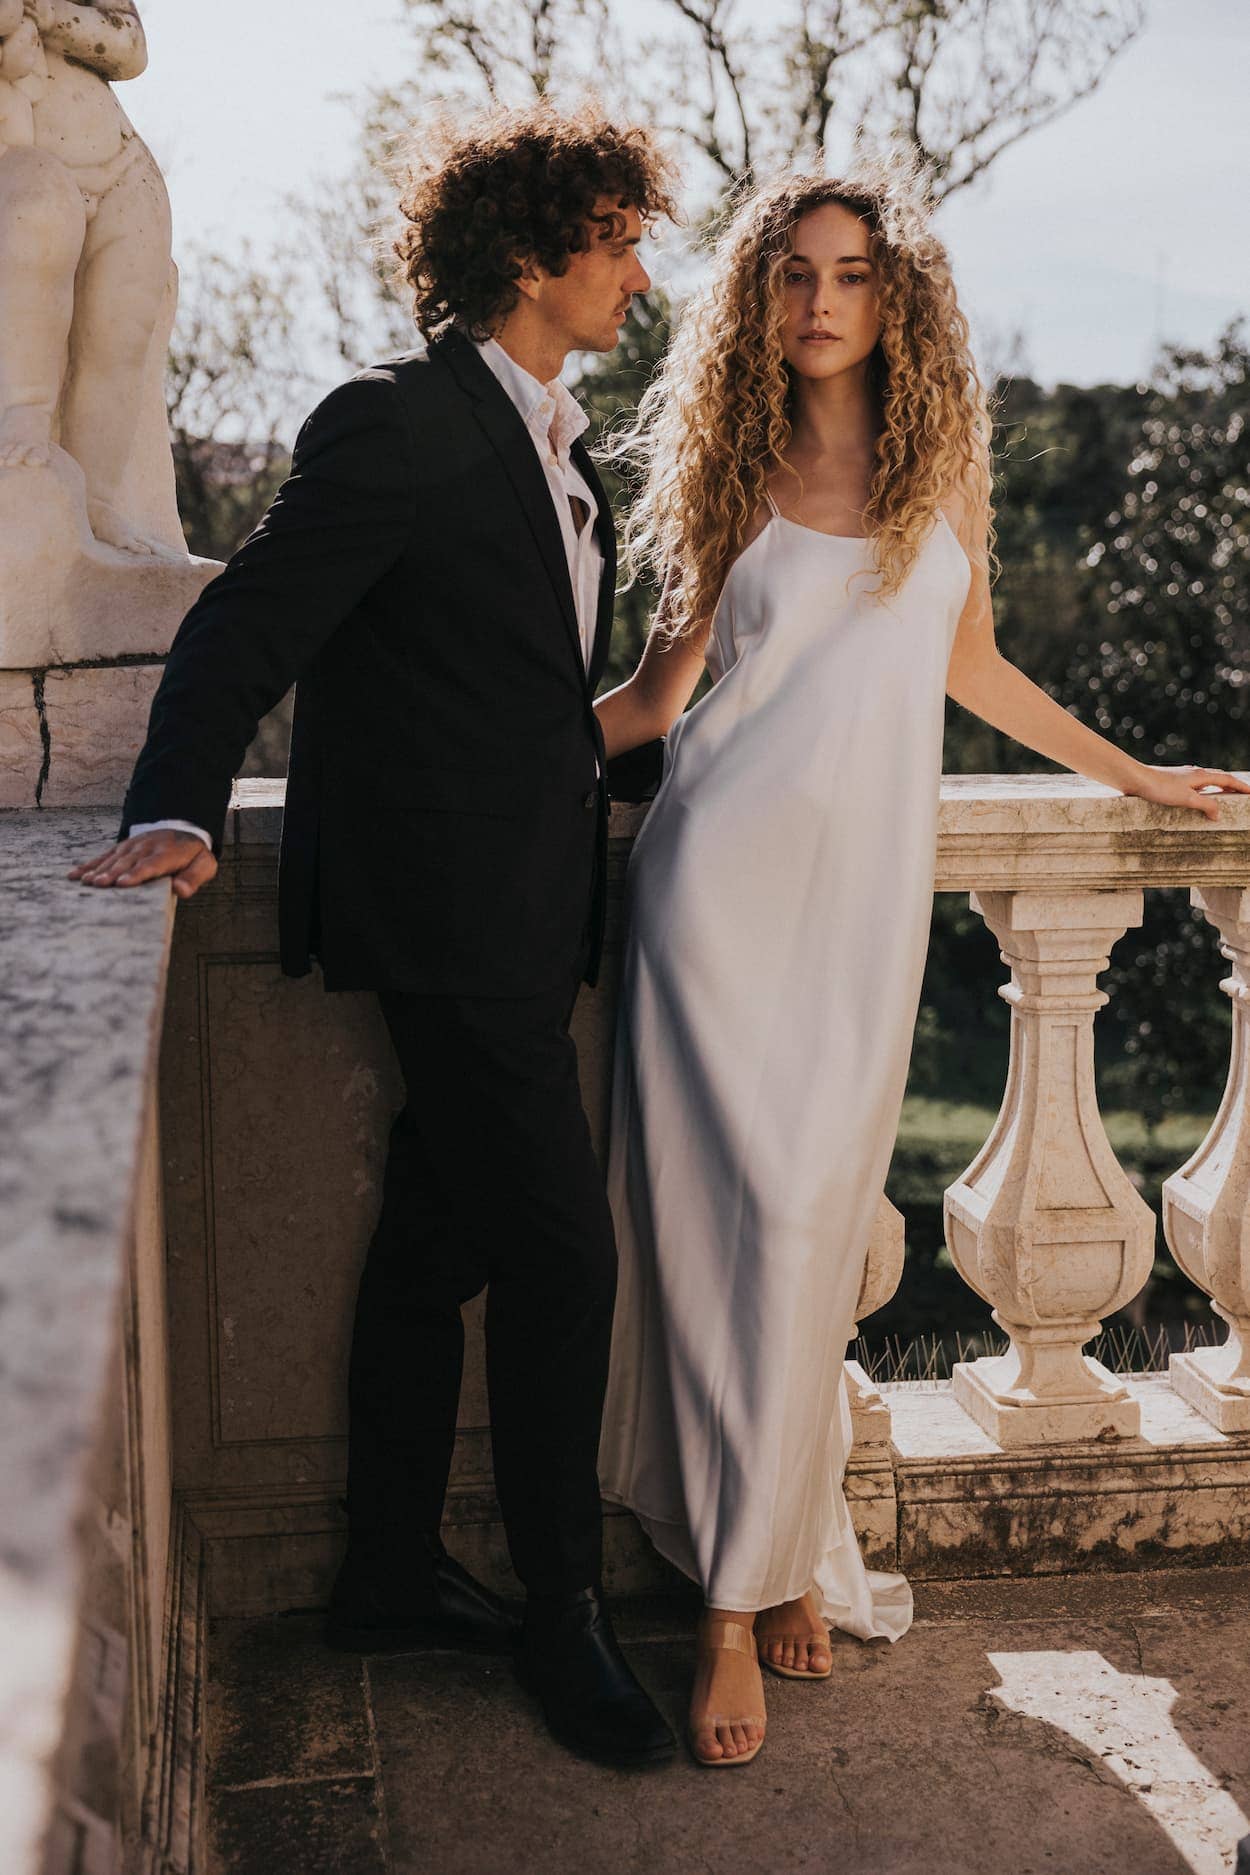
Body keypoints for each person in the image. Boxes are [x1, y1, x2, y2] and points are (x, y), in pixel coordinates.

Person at [591, 162, 1250, 1769]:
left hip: (855, 911)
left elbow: (978, 672)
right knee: (711, 1238)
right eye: (794, 274)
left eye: (853, 275)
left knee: (813, 1229)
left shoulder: (938, 471)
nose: (820, 301)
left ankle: (784, 1535)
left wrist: (1137, 777)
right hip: (708, 906)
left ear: (897, 300)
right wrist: (446, 761)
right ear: (758, 298)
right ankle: (734, 1609)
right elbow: (653, 700)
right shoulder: (725, 470)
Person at [67, 99, 682, 1769]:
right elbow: (245, 625)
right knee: (560, 1258)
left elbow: (521, 704)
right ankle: (565, 1621)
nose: (640, 269)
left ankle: (389, 1576)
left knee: (436, 1237)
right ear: (534, 249)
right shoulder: (394, 424)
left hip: (528, 911)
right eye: (620, 236)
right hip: (441, 927)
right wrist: (176, 808)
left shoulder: (560, 452)